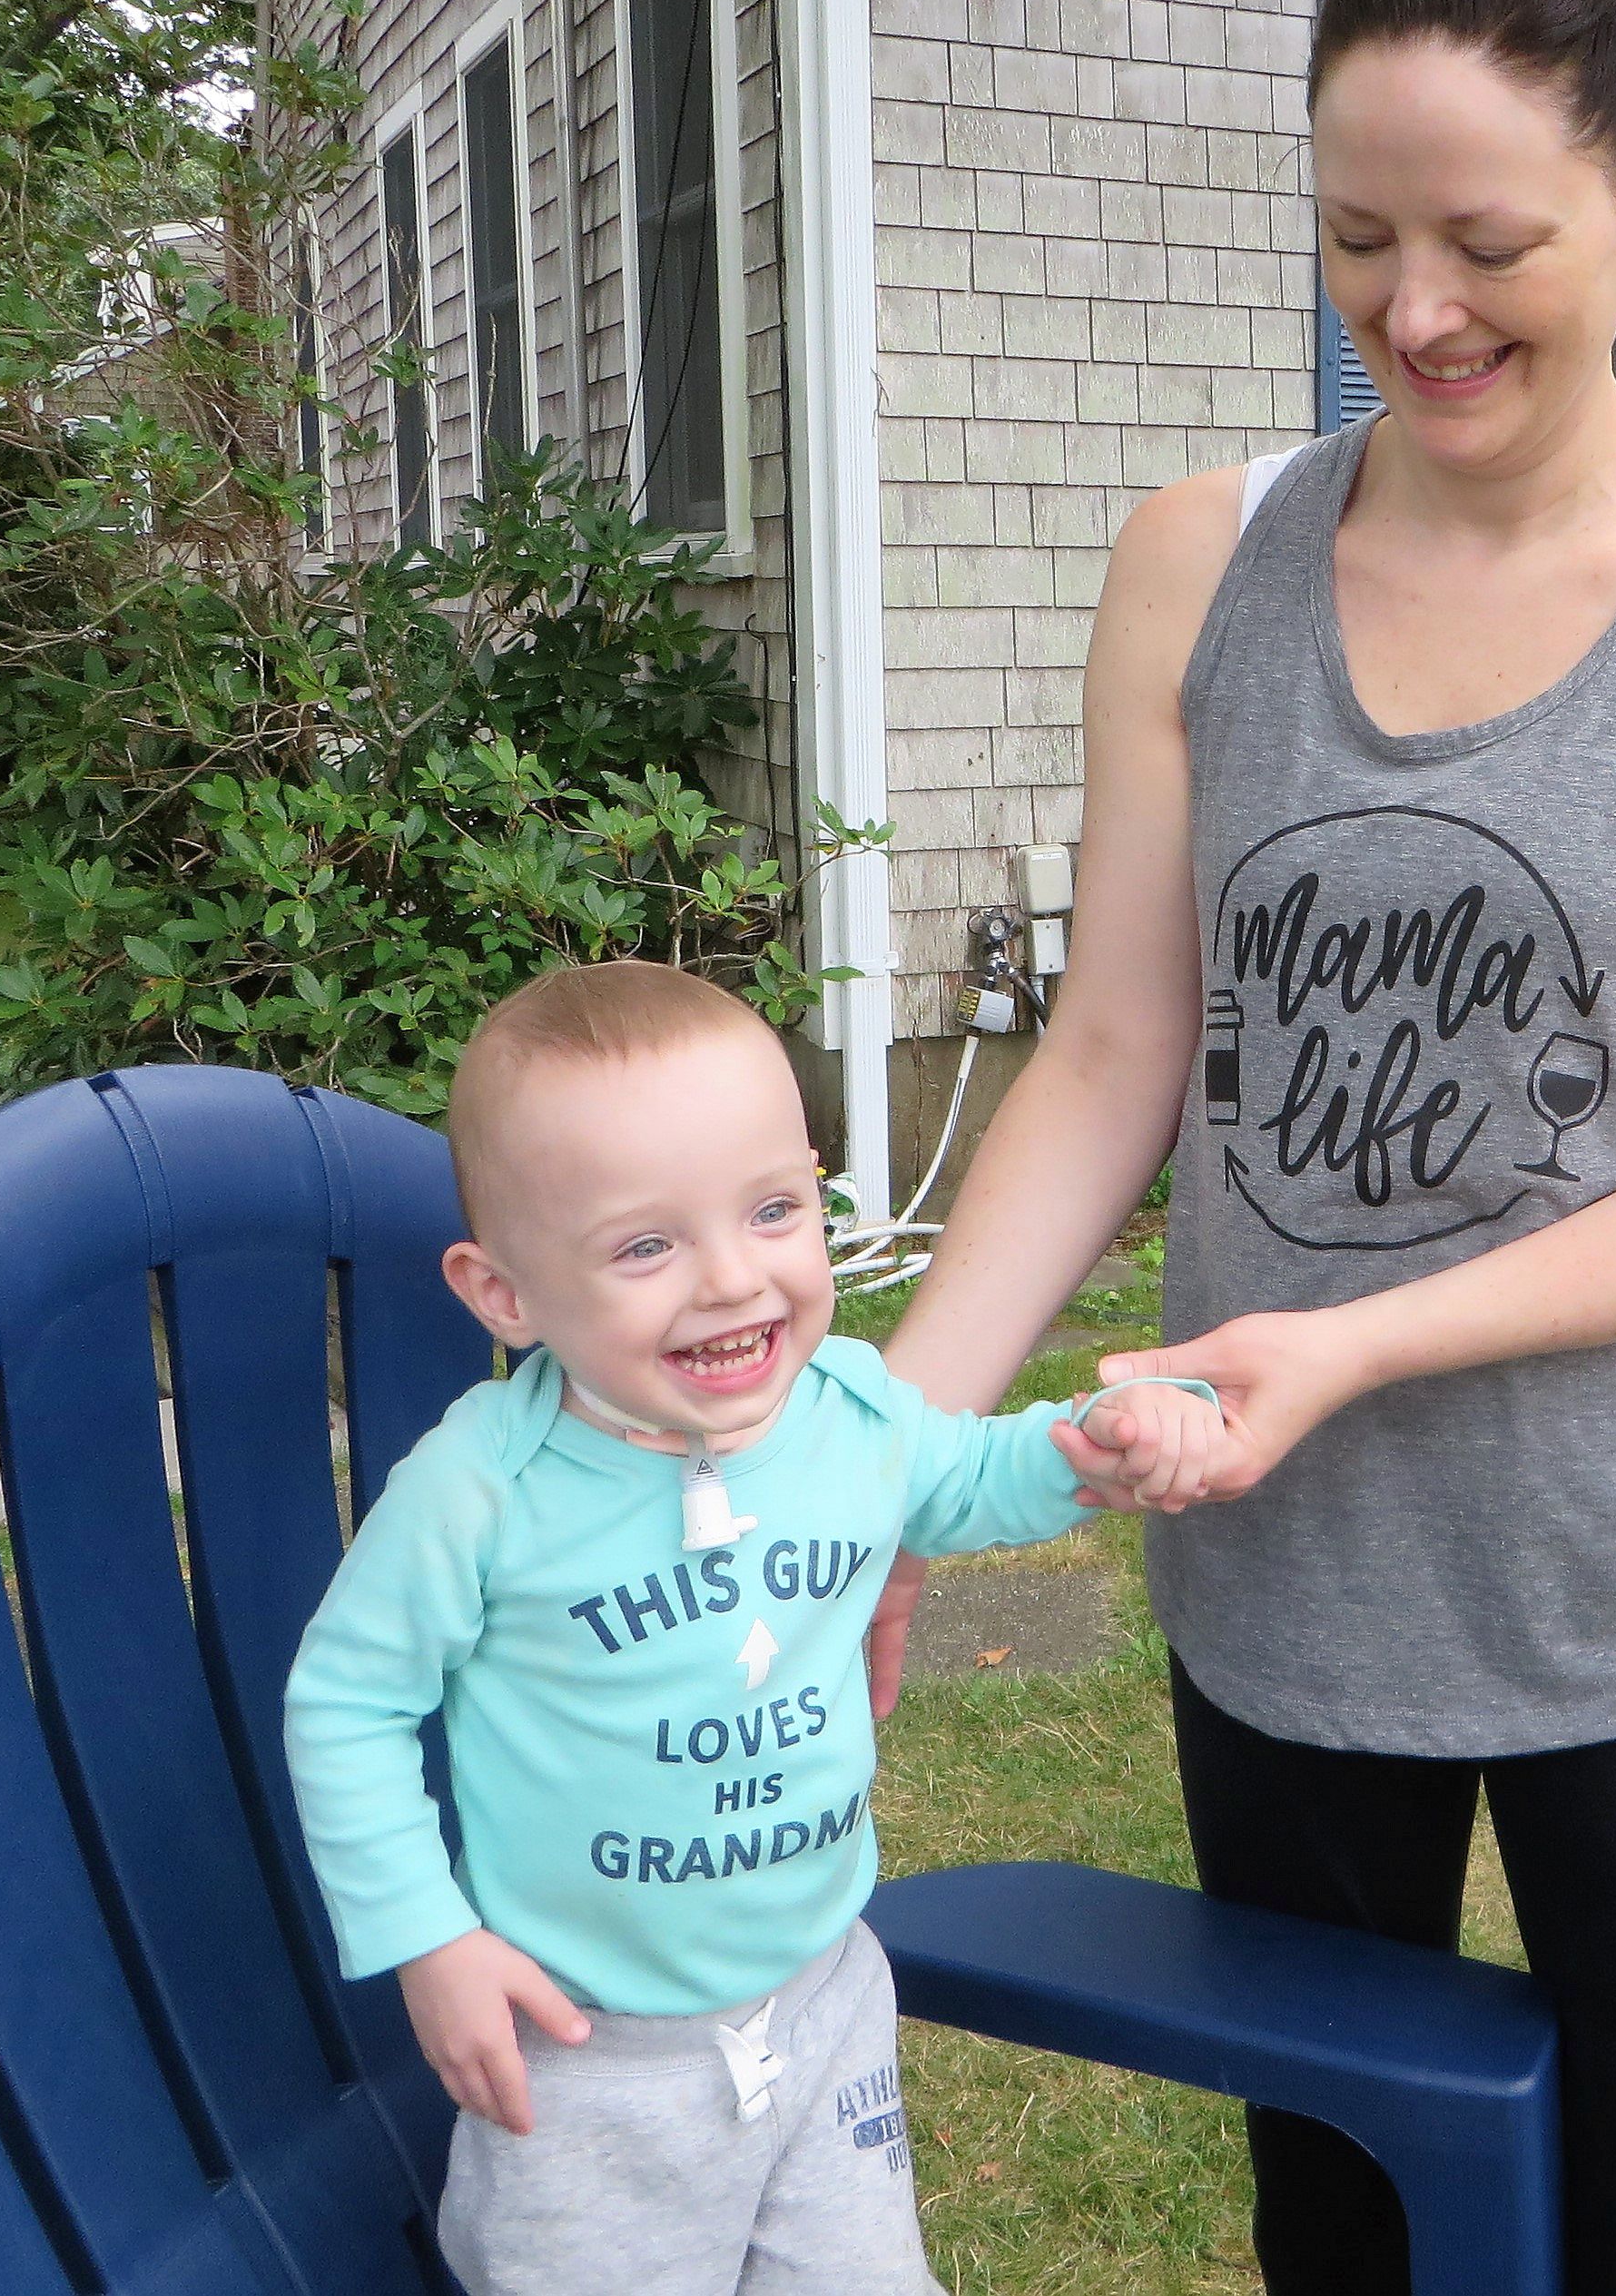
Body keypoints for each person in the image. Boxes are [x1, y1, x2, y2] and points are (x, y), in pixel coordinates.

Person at [870, 0, 1616, 2283]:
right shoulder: (1199, 559)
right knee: (1340, 2223)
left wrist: (1350, 1344)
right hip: (1294, 1586)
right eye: (1357, 240)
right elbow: (1115, 1049)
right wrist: (884, 1466)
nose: (1414, 312)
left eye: (1485, 243)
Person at [283, 960, 1249, 2296]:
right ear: (505, 1295)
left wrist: (1108, 1438)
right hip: (590, 2058)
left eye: (775, 1209)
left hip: (824, 1998)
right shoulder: (483, 1493)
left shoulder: (848, 1414)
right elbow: (347, 1701)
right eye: (646, 1246)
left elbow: (978, 1471)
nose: (733, 1279)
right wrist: (428, 1939)